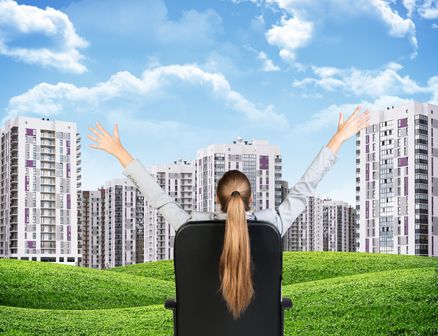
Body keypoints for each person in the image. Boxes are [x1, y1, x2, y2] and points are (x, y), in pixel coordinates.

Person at [87, 105, 370, 319]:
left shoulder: (191, 228)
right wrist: (339, 138)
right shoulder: (272, 225)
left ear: (215, 199)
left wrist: (119, 151)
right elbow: (305, 187)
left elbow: (158, 197)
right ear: (251, 200)